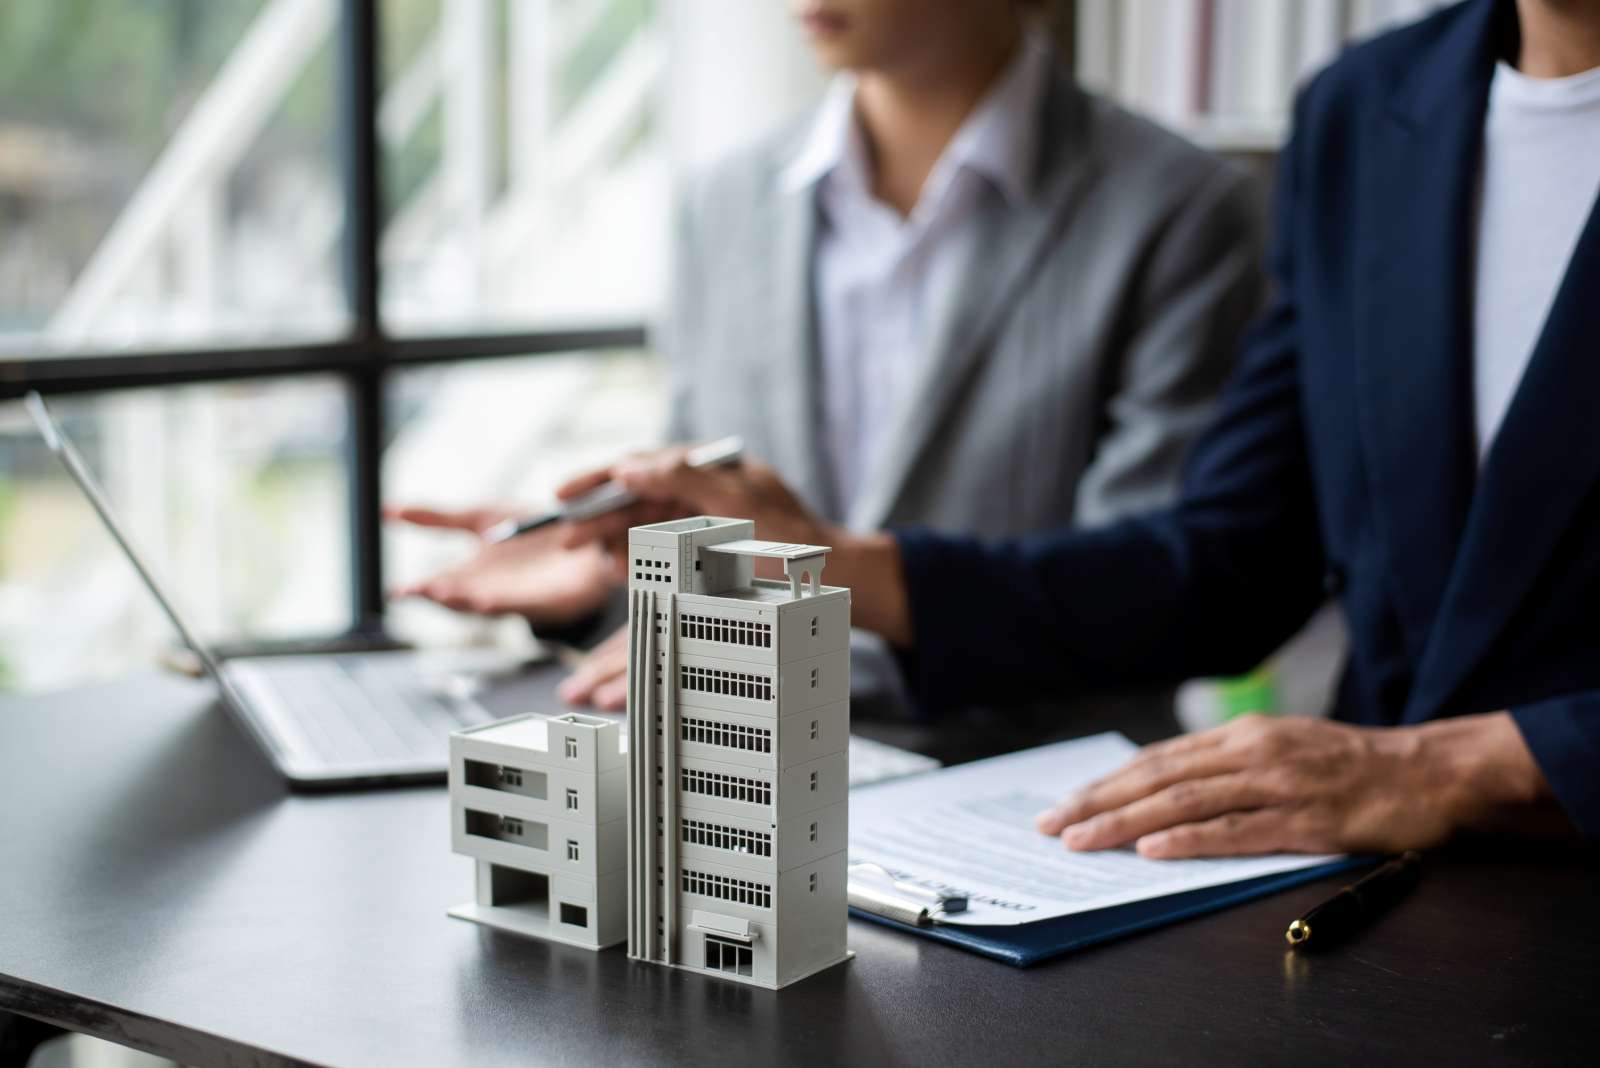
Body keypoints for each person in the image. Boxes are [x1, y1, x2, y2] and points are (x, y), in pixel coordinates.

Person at [555, 0, 1600, 854]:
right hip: (1377, 909)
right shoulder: (1363, 110)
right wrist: (837, 567)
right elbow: (1233, 564)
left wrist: (1474, 763)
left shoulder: (1178, 199)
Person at [387, 0, 1267, 715]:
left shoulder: (1184, 211)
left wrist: (757, 652)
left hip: (1041, 803)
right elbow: (722, 541)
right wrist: (611, 582)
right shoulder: (723, 205)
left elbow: (1142, 593)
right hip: (748, 793)